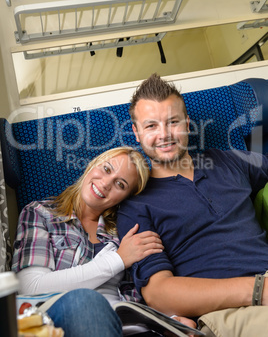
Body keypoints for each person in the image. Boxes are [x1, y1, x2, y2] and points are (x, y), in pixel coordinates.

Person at [116, 73, 268, 337]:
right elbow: (159, 294)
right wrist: (259, 289)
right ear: (137, 133)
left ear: (187, 124)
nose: (164, 135)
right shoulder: (136, 204)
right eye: (151, 126)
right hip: (230, 312)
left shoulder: (227, 161)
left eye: (172, 122)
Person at [12, 146, 167, 336]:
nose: (106, 183)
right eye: (107, 169)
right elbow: (30, 288)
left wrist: (171, 321)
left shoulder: (124, 231)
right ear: (93, 165)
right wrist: (118, 260)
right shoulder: (40, 213)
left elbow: (141, 298)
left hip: (126, 325)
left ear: (125, 198)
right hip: (65, 318)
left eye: (121, 184)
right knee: (86, 302)